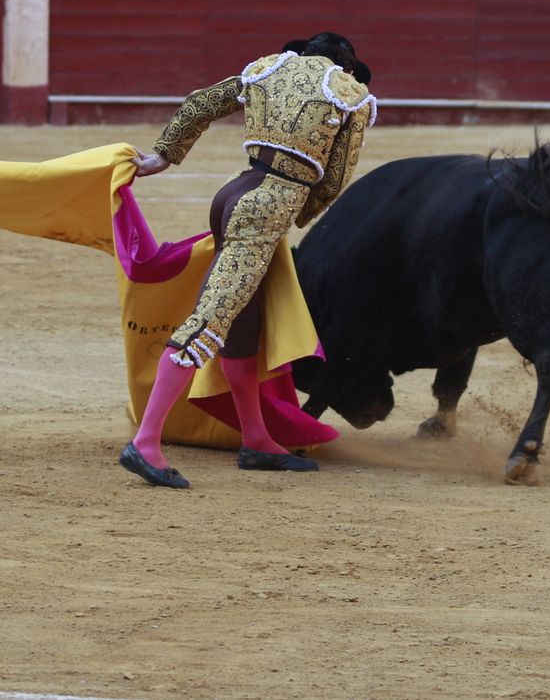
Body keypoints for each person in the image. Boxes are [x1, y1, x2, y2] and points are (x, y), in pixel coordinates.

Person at [119, 33, 376, 489]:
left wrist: (164, 156)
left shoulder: (266, 68)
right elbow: (335, 177)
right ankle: (146, 443)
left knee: (242, 325)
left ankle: (256, 440)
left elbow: (200, 104)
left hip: (233, 192)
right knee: (210, 320)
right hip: (266, 207)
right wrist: (301, 214)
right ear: (348, 67)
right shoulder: (350, 93)